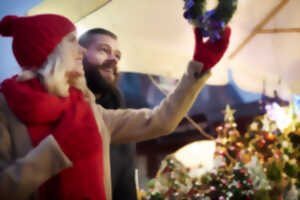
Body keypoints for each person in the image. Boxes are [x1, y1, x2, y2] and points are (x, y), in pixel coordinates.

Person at [0, 13, 230, 200]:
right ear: (49, 49)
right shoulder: (5, 110)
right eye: (72, 41)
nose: (80, 50)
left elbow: (160, 120)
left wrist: (199, 67)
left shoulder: (89, 111)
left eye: (117, 54)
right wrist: (56, 150)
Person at [79, 28, 137, 200]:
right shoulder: (58, 106)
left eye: (117, 55)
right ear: (79, 54)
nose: (114, 59)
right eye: (104, 50)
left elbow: (126, 183)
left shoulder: (119, 111)